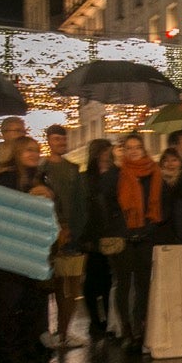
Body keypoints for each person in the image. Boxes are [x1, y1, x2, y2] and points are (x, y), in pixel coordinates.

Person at [0, 137, 54, 363]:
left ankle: (28, 346)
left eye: (36, 150)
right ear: (17, 152)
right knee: (9, 302)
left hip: (32, 250)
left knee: (30, 301)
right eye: (28, 150)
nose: (34, 154)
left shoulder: (40, 178)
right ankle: (8, 351)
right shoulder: (5, 178)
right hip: (8, 251)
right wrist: (31, 198)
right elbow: (0, 212)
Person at [98, 133, 163, 352]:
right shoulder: (115, 175)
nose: (133, 151)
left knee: (144, 285)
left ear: (143, 150)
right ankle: (126, 329)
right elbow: (105, 205)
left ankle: (141, 327)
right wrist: (117, 230)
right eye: (129, 148)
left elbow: (157, 205)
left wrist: (148, 228)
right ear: (123, 151)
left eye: (137, 147)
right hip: (122, 237)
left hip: (145, 236)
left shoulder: (153, 172)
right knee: (124, 284)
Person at [41, 125, 88, 348]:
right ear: (49, 141)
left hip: (70, 237)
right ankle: (52, 332)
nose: (61, 143)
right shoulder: (42, 169)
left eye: (63, 139)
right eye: (56, 139)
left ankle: (63, 331)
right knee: (51, 285)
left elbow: (79, 204)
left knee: (69, 287)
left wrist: (74, 231)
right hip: (49, 235)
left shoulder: (72, 169)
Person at [79, 138, 115, 337]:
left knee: (110, 279)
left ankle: (110, 320)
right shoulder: (86, 178)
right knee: (93, 279)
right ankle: (95, 320)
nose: (105, 156)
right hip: (93, 233)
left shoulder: (116, 174)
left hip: (111, 231)